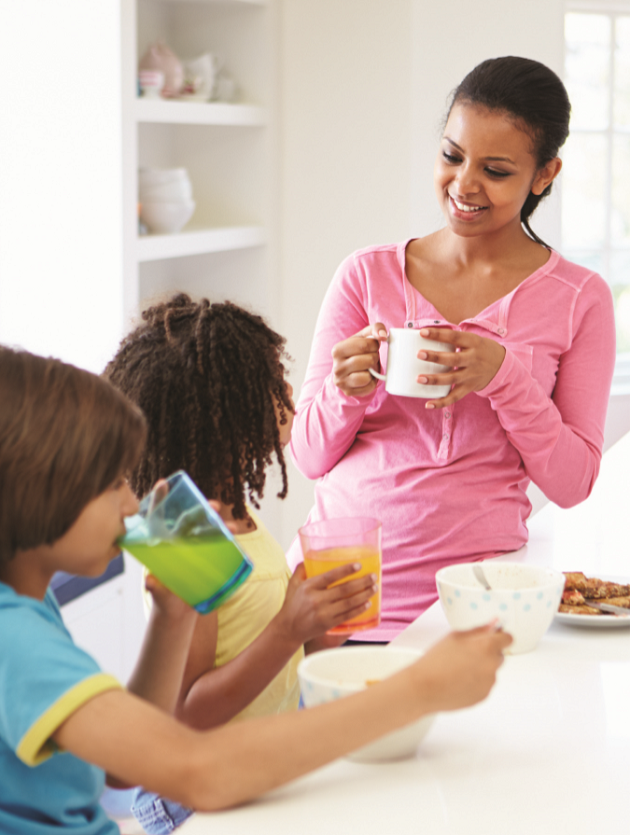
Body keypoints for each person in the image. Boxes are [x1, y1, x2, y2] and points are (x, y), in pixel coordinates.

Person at [0, 344, 510, 834]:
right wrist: (422, 688)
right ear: (38, 491)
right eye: (111, 483)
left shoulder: (28, 601)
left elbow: (121, 767)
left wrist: (173, 613)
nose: (132, 506)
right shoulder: (16, 640)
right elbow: (198, 769)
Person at [287, 56, 617, 641]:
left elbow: (573, 484)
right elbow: (310, 457)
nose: (464, 184)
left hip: (473, 606)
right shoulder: (366, 276)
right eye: (451, 155)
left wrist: (504, 378)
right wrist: (347, 391)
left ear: (544, 175)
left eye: (495, 170)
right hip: (339, 598)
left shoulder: (580, 298)